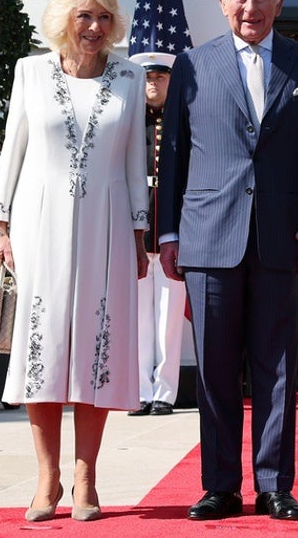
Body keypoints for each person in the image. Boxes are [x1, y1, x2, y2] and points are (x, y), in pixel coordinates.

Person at [157, 0, 298, 521]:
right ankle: (219, 485)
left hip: (281, 241)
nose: (250, 7)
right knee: (214, 369)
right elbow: (175, 156)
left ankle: (274, 484)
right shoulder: (192, 66)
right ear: (221, 4)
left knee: (277, 368)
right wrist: (168, 232)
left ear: (279, 3)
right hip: (209, 239)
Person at [0, 0, 149, 522]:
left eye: (104, 16)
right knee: (45, 347)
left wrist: (139, 234)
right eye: (85, 16)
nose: (96, 26)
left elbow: (134, 165)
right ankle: (46, 479)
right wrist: (0, 227)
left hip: (106, 227)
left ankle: (87, 479)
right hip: (39, 223)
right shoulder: (30, 71)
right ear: (64, 20)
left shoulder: (130, 76)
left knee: (96, 347)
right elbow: (13, 150)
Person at [128, 53, 188, 417]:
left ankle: (164, 392)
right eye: (148, 78)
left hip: (173, 232)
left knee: (168, 319)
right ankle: (138, 391)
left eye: (161, 78)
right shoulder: (130, 123)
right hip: (136, 232)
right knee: (137, 317)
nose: (153, 84)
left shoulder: (183, 123)